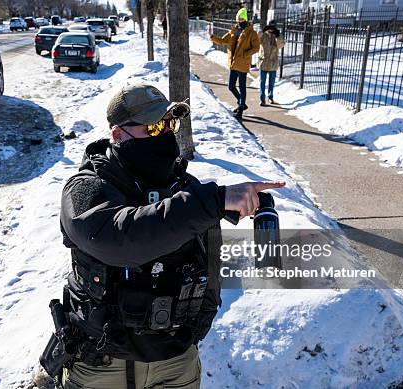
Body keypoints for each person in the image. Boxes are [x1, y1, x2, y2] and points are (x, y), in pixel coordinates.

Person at [57, 84, 285, 389]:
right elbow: (119, 239)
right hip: (103, 363)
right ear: (118, 134)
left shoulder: (186, 189)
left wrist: (199, 323)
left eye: (168, 124)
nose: (163, 134)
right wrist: (212, 202)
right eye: (151, 127)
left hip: (175, 362)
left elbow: (210, 263)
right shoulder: (87, 188)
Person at [209, 7, 260, 120]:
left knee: (242, 88)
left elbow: (256, 47)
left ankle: (240, 110)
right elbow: (223, 41)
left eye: (242, 18)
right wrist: (213, 37)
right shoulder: (234, 30)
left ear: (246, 19)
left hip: (242, 64)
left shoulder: (251, 33)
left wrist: (245, 54)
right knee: (231, 86)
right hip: (233, 63)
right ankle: (242, 103)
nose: (239, 21)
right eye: (238, 18)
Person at [258, 20, 284, 106]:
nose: (272, 29)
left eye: (273, 27)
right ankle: (262, 99)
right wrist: (263, 30)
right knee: (262, 82)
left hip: (273, 63)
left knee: (271, 82)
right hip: (263, 62)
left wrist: (277, 36)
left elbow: (281, 45)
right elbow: (256, 40)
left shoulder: (277, 36)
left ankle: (270, 97)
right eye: (270, 27)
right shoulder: (264, 35)